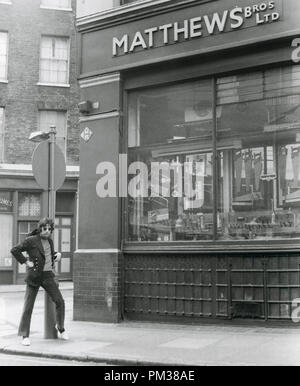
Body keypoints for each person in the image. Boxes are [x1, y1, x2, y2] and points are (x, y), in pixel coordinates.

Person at [11, 217, 69, 346]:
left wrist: (57, 254)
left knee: (59, 301)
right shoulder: (31, 240)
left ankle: (61, 328)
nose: (47, 231)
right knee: (28, 307)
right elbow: (15, 250)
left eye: (49, 229)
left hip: (48, 275)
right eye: (45, 228)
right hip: (35, 276)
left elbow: (47, 254)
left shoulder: (50, 241)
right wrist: (26, 262)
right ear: (40, 228)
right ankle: (24, 336)